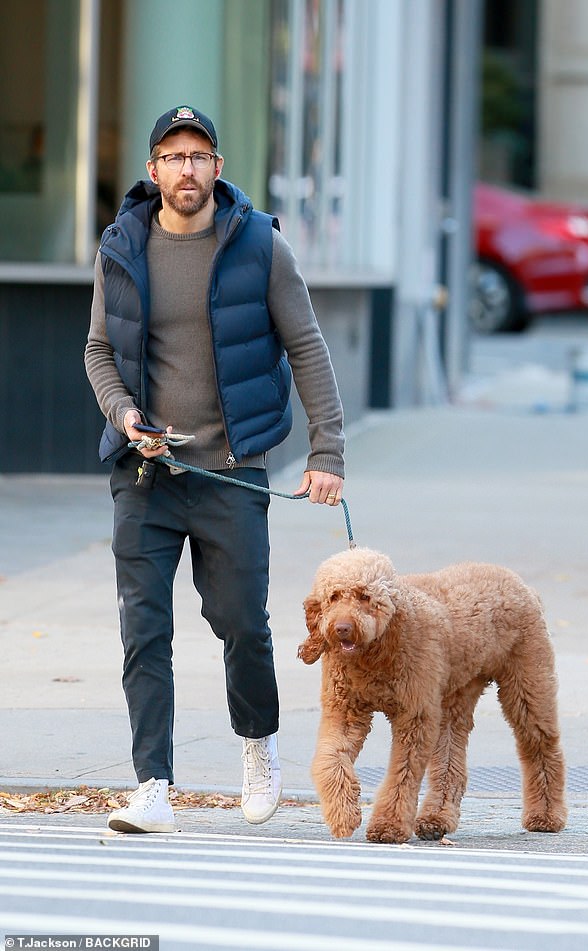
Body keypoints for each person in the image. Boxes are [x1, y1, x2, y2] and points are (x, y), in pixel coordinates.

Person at [85, 105, 345, 834]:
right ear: (153, 169)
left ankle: (259, 748)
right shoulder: (121, 246)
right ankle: (153, 784)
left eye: (199, 156)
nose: (187, 169)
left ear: (218, 169)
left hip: (233, 471)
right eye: (173, 156)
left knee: (242, 624)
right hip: (146, 475)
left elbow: (309, 348)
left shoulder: (260, 246)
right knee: (144, 627)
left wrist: (327, 453)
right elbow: (98, 351)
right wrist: (126, 416)